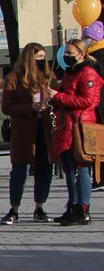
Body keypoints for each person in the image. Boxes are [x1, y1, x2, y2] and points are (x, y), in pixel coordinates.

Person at [46, 39, 101, 226]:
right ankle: (73, 205)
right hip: (66, 126)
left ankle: (83, 209)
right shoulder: (70, 73)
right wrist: (52, 98)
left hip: (80, 126)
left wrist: (59, 96)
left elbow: (89, 101)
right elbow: (63, 96)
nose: (66, 56)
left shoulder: (88, 72)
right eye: (65, 53)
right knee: (69, 170)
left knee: (81, 169)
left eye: (70, 53)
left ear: (81, 54)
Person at [1, 43, 53, 224]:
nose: (42, 61)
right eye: (38, 58)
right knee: (20, 170)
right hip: (23, 130)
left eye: (43, 58)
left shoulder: (48, 76)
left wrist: (51, 102)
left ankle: (40, 206)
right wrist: (29, 107)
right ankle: (14, 209)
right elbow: (7, 107)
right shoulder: (13, 78)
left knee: (45, 168)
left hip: (44, 128)